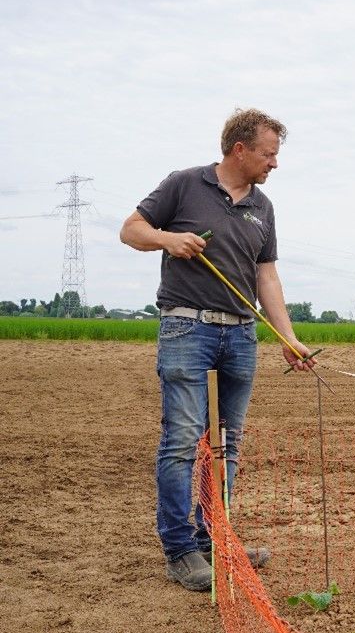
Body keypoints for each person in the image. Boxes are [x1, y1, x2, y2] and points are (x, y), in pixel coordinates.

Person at [120, 108, 316, 591]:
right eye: (269, 154)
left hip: (241, 334)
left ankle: (216, 539)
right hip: (187, 329)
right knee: (183, 442)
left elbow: (266, 275)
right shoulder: (183, 184)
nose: (275, 164)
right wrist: (168, 238)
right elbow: (130, 230)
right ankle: (181, 551)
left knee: (226, 445)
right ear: (240, 149)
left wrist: (288, 337)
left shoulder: (263, 207)